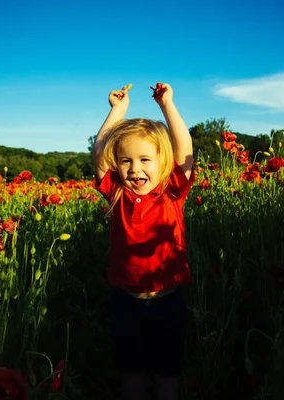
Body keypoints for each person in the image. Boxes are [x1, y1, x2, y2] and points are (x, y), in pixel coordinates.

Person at [92, 82, 195, 400]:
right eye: (126, 161)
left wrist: (167, 106)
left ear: (163, 163)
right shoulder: (116, 192)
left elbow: (185, 150)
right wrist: (117, 111)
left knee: (168, 371)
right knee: (130, 371)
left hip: (168, 302)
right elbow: (99, 152)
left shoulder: (173, 190)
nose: (135, 169)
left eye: (145, 160)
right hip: (126, 302)